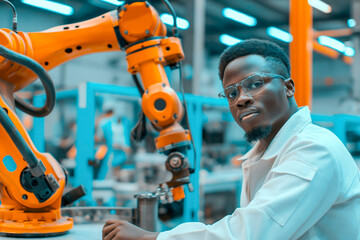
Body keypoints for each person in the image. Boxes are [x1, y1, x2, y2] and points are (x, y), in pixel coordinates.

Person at [102, 39, 360, 240]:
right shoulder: (264, 152)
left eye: (256, 83)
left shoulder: (314, 149)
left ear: (289, 87)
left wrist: (153, 237)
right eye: (231, 92)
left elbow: (250, 233)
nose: (241, 98)